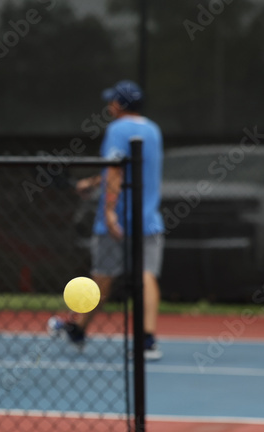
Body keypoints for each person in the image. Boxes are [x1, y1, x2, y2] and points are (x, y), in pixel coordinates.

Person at [49, 80, 165, 361]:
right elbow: (126, 170)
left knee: (102, 277)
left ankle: (78, 327)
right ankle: (145, 340)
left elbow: (115, 170)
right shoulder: (153, 130)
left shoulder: (117, 129)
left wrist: (110, 211)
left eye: (113, 101)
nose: (109, 105)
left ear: (120, 105)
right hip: (148, 219)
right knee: (146, 274)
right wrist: (90, 183)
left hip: (117, 221)